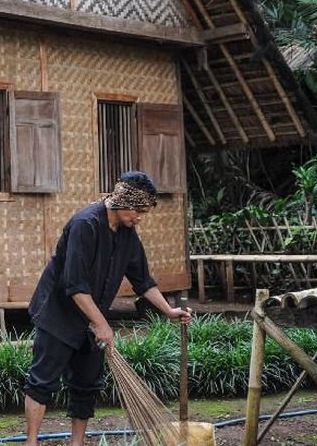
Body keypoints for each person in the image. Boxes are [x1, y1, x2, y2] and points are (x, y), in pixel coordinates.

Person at [22, 170, 193, 446]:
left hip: (92, 314)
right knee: (42, 382)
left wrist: (168, 311)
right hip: (58, 314)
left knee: (87, 384)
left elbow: (143, 280)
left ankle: (77, 443)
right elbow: (74, 285)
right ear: (121, 202)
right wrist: (101, 324)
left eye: (143, 213)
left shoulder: (127, 234)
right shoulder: (84, 225)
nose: (138, 218)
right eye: (136, 211)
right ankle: (31, 442)